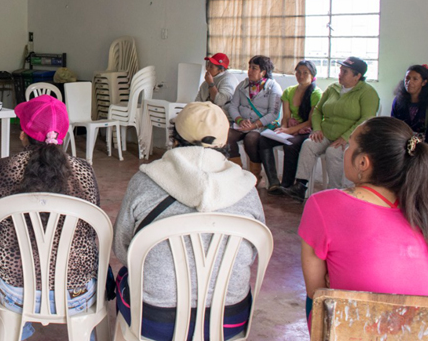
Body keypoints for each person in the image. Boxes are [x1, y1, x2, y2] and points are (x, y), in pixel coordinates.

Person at [113, 102, 265, 340]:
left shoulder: (144, 182)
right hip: (229, 319)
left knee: (123, 274)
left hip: (156, 320)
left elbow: (124, 250)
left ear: (175, 138)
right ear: (225, 142)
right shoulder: (248, 188)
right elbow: (254, 252)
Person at [0, 95, 100, 340]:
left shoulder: (1, 170)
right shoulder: (85, 172)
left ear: (24, 133)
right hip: (75, 294)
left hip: (16, 292)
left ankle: (18, 329)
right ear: (64, 135)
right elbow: (91, 231)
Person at [299, 117, 428, 323]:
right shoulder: (423, 206)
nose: (345, 150)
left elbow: (316, 293)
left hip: (355, 329)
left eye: (350, 144)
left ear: (363, 162)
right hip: (418, 331)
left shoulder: (322, 205)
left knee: (317, 300)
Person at [283, 57, 380, 201]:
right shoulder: (333, 88)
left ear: (357, 76)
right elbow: (317, 111)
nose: (340, 74)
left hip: (351, 137)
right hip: (326, 133)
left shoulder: (367, 93)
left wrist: (346, 137)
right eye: (340, 70)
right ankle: (300, 186)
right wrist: (316, 129)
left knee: (333, 152)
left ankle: (335, 191)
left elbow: (366, 119)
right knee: (309, 144)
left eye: (345, 71)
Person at [259, 61, 323, 194]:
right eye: (298, 72)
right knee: (263, 140)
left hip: (306, 130)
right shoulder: (289, 91)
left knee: (291, 144)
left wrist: (290, 131)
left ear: (312, 75)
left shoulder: (316, 93)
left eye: (305, 72)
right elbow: (286, 117)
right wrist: (283, 129)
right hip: (290, 128)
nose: (301, 75)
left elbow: (311, 121)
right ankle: (273, 181)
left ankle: (287, 184)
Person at [226, 55, 283, 184]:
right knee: (228, 136)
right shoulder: (242, 85)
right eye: (249, 67)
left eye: (254, 68)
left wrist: (255, 125)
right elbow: (233, 106)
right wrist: (240, 120)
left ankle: (254, 175)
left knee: (251, 139)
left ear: (263, 71)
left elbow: (273, 113)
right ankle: (237, 172)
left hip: (261, 126)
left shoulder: (273, 87)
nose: (249, 71)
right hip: (243, 124)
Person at [391, 64, 428, 141]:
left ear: (424, 82)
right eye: (407, 78)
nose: (409, 82)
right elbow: (393, 125)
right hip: (401, 144)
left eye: (415, 79)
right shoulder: (398, 101)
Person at [195, 53, 239, 117]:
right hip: (205, 114)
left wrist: (211, 83)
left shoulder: (228, 79)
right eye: (207, 65)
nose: (207, 69)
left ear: (221, 70)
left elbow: (220, 101)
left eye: (211, 67)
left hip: (223, 116)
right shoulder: (206, 82)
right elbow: (197, 102)